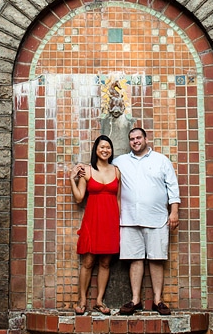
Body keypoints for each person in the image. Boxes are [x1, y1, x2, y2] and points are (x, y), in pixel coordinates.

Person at [113, 127, 180, 316]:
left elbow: (172, 187)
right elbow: (103, 169)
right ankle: (136, 300)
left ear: (146, 139)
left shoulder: (161, 160)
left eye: (138, 138)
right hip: (129, 219)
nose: (135, 141)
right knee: (135, 259)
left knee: (156, 259)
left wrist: (174, 212)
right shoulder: (120, 162)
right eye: (132, 139)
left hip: (157, 218)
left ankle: (157, 300)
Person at [69, 135, 121, 315]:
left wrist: (120, 223)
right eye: (102, 147)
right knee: (89, 261)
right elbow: (79, 198)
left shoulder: (117, 171)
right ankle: (82, 300)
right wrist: (71, 179)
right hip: (93, 220)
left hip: (111, 221)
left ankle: (99, 301)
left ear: (111, 150)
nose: (105, 150)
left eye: (108, 147)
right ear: (96, 150)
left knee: (105, 263)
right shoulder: (88, 171)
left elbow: (119, 199)